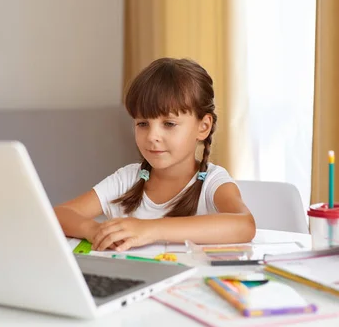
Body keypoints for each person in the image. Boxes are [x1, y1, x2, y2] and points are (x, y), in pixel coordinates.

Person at [54, 57, 256, 252]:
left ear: (203, 127)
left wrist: (151, 229)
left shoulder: (212, 182)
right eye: (142, 124)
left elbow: (244, 225)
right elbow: (58, 214)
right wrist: (94, 230)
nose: (152, 136)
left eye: (169, 124)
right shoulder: (126, 179)